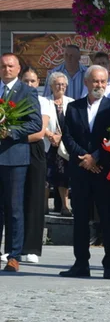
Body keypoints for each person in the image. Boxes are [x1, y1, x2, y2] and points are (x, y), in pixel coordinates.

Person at [59, 65, 110, 278]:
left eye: (103, 81)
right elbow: (67, 137)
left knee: (107, 219)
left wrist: (96, 156)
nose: (99, 85)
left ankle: (109, 265)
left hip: (104, 171)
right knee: (81, 219)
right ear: (86, 83)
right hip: (81, 171)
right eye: (95, 81)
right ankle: (81, 264)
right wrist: (84, 158)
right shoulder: (74, 107)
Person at [0, 53, 43, 272]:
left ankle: (14, 255)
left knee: (14, 208)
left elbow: (35, 123)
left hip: (15, 156)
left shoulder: (27, 92)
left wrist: (11, 131)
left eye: (10, 66)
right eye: (3, 66)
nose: (6, 69)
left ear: (18, 69)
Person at [20, 67, 50, 264]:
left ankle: (31, 248)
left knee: (34, 198)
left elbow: (40, 132)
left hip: (34, 150)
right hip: (13, 149)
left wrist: (10, 137)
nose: (29, 84)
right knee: (14, 199)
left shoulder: (43, 102)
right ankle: (13, 246)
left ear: (38, 82)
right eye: (26, 80)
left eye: (33, 81)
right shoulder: (13, 99)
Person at [44, 72, 74, 216]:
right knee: (46, 175)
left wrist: (61, 137)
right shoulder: (44, 101)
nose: (60, 87)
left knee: (64, 175)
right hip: (48, 144)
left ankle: (65, 206)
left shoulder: (71, 102)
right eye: (57, 84)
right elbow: (40, 124)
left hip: (64, 146)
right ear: (51, 86)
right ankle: (43, 205)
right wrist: (50, 135)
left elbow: (74, 125)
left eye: (63, 84)